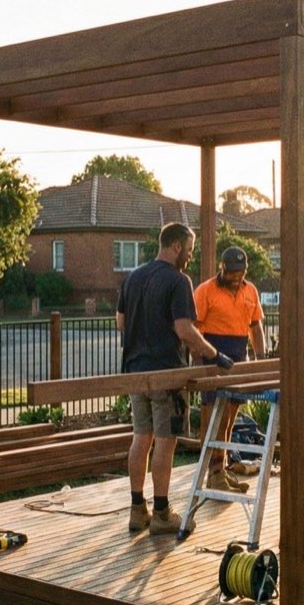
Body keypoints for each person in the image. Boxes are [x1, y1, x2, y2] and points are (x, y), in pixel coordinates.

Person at [117, 222, 233, 535]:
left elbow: (120, 321)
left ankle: (136, 508)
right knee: (165, 442)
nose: (191, 257)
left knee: (141, 437)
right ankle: (162, 512)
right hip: (167, 373)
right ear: (177, 247)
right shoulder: (178, 280)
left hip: (135, 373)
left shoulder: (133, 277)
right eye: (190, 250)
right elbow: (184, 330)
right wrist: (214, 355)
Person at [193, 245, 266, 493]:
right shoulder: (205, 291)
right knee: (214, 416)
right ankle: (212, 471)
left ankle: (220, 469)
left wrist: (260, 358)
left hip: (238, 353)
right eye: (232, 272)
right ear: (222, 268)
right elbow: (194, 327)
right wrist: (198, 361)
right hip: (213, 353)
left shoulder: (250, 290)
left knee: (230, 418)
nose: (236, 277)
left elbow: (255, 327)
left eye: (241, 272)